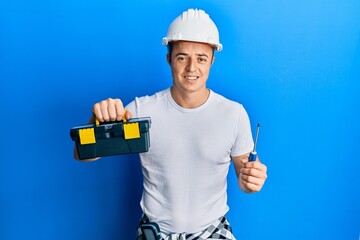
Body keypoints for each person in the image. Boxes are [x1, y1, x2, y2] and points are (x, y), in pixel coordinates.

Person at [74, 8, 267, 240]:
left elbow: (244, 180)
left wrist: (251, 181)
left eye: (201, 59)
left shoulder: (233, 114)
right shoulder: (140, 111)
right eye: (182, 57)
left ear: (212, 61)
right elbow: (82, 153)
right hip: (156, 233)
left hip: (213, 232)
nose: (191, 68)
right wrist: (96, 122)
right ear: (169, 59)